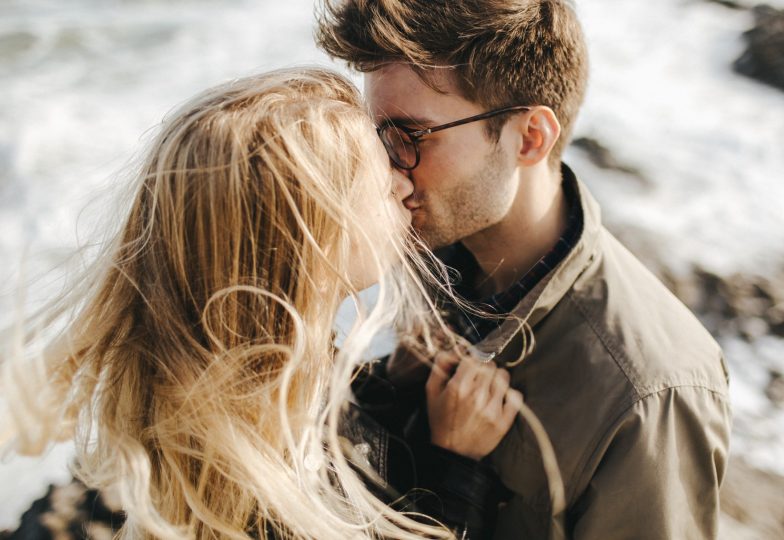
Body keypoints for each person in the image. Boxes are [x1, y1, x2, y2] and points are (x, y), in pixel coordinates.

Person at [0, 68, 524, 539]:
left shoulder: (239, 401)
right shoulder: (266, 486)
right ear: (306, 245)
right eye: (377, 179)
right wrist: (455, 466)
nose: (403, 180)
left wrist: (386, 384)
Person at [316, 0, 733, 538]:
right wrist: (390, 389)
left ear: (530, 137)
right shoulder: (425, 252)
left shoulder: (652, 393)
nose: (384, 169)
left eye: (410, 137)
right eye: (374, 135)